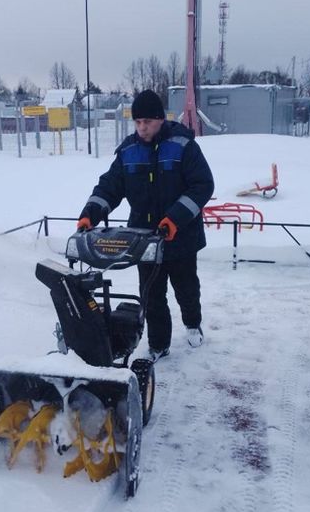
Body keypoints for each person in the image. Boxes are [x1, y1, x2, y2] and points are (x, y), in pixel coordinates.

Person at [77, 89, 214, 362]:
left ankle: (192, 323)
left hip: (181, 237)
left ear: (160, 119)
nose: (142, 128)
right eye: (137, 122)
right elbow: (109, 187)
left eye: (147, 122)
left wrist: (174, 219)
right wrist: (89, 214)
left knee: (186, 288)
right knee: (151, 295)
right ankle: (159, 344)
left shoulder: (183, 145)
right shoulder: (128, 151)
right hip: (144, 239)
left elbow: (203, 185)